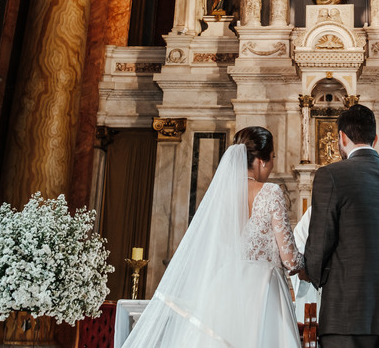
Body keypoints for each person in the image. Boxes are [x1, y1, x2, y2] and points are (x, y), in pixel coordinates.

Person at [122, 127, 303, 348]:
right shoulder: (272, 192)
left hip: (223, 289)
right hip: (263, 292)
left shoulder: (219, 196)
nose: (272, 164)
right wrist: (306, 263)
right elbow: (290, 259)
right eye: (272, 157)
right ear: (261, 161)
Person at [305, 104, 379, 348]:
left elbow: (320, 239)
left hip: (348, 311)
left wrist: (312, 275)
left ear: (342, 137)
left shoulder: (331, 175)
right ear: (375, 138)